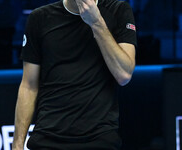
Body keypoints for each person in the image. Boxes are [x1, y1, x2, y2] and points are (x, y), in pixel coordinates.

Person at [12, 0, 137, 149]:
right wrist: (18, 144)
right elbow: (28, 86)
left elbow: (124, 74)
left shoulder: (118, 10)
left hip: (99, 138)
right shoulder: (39, 17)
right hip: (48, 137)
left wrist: (96, 22)